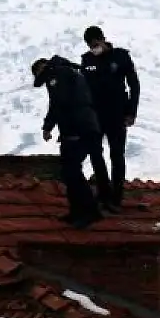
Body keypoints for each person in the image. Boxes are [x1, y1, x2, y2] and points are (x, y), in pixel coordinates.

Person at [32, 55, 105, 229]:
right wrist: (51, 126)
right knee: (68, 170)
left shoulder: (56, 73)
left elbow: (59, 103)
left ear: (42, 67)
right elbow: (59, 103)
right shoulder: (67, 71)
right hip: (83, 127)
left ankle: (89, 212)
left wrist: (50, 127)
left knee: (72, 170)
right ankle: (77, 211)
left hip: (79, 128)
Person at [80, 26, 140, 212]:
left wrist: (131, 112)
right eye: (90, 45)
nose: (94, 47)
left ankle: (116, 197)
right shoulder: (87, 60)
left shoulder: (120, 56)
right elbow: (83, 89)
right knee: (95, 154)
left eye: (96, 43)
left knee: (116, 155)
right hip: (95, 116)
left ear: (103, 39)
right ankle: (103, 192)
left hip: (117, 114)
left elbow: (134, 85)